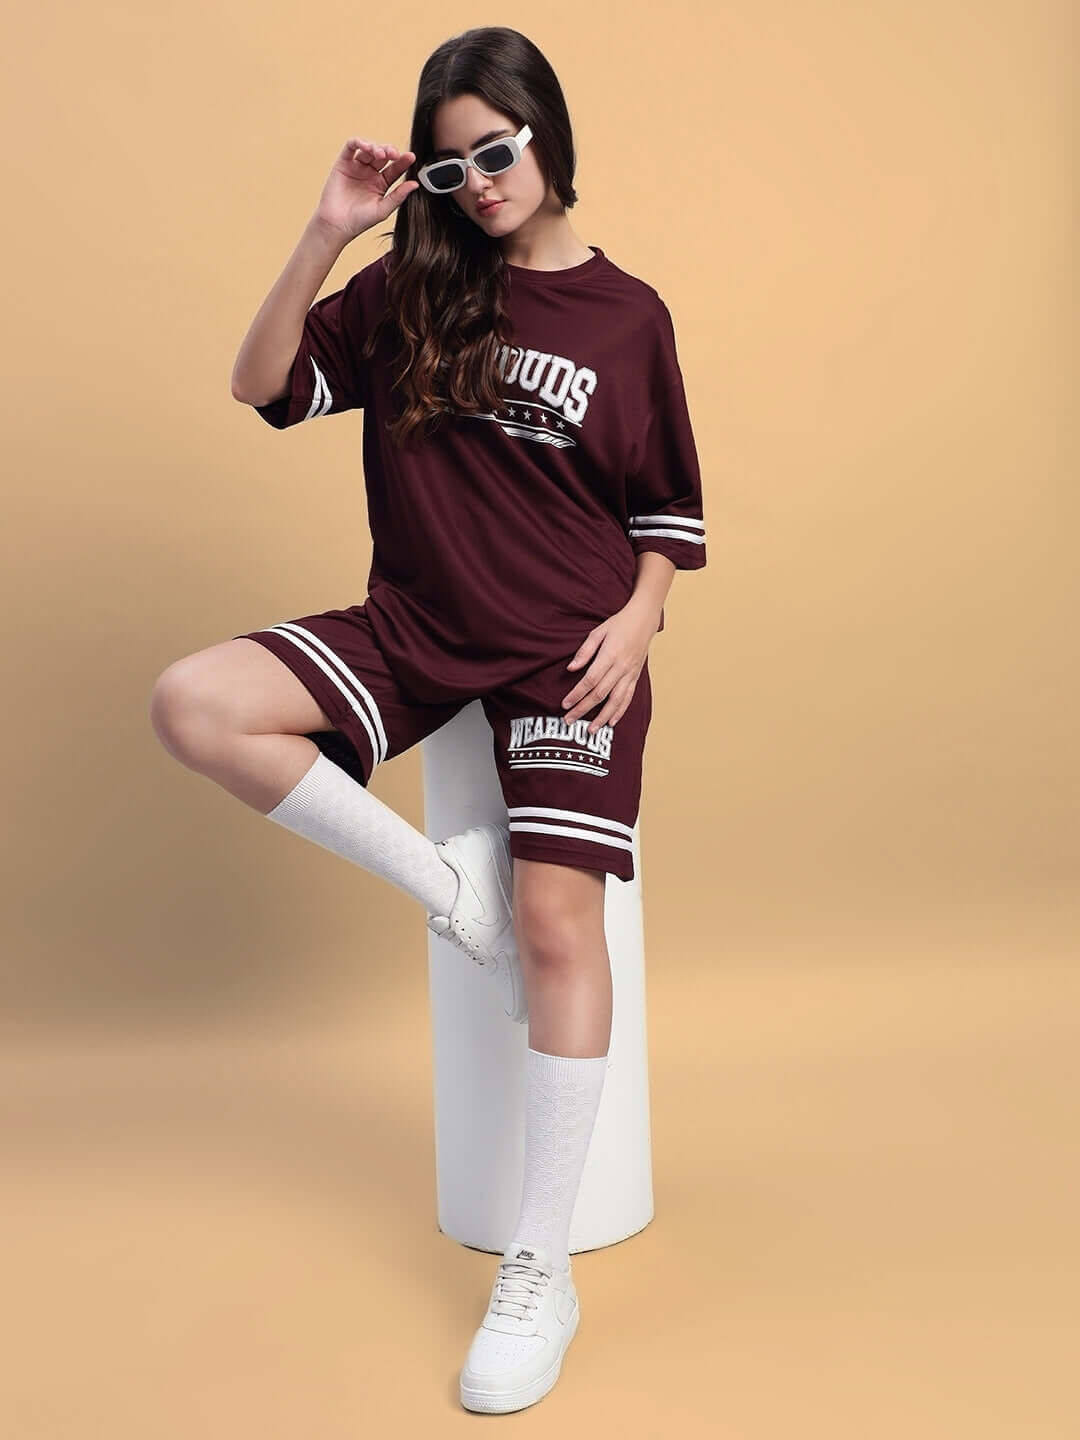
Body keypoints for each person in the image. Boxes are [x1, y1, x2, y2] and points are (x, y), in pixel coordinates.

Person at [149, 24, 706, 1415]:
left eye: (498, 152)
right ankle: (446, 894)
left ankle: (539, 1269)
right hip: (413, 627)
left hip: (563, 653)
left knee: (561, 927)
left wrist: (644, 615)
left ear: (546, 137)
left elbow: (663, 512)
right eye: (453, 167)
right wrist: (330, 231)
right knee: (194, 703)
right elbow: (260, 385)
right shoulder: (411, 285)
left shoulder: (628, 317)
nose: (481, 182)